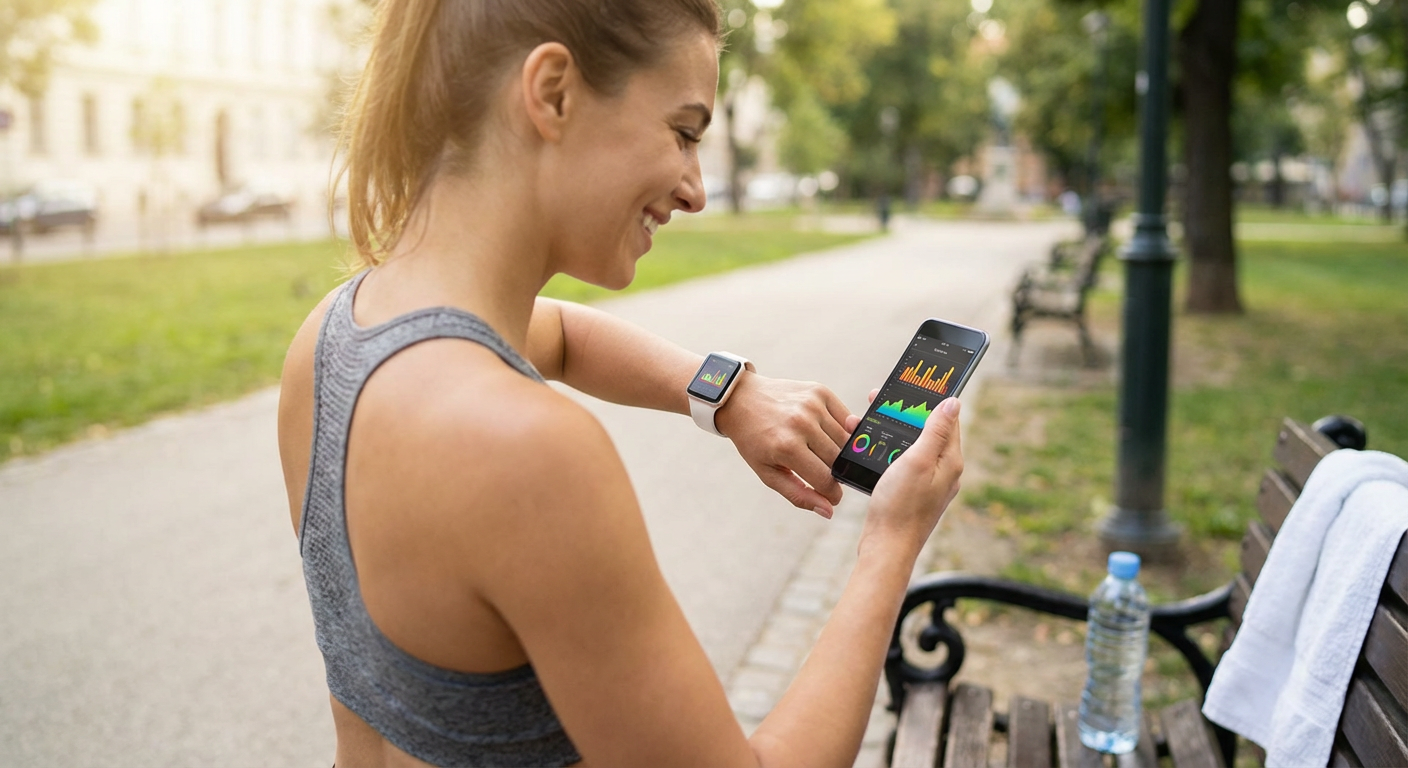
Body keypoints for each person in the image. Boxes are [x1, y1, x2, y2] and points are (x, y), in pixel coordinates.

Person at [276, 1, 965, 766]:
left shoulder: (335, 335)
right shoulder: (524, 454)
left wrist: (727, 395)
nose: (696, 189)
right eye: (682, 131)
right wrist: (891, 541)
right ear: (554, 94)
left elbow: (564, 335)